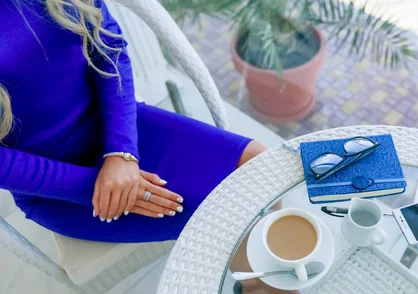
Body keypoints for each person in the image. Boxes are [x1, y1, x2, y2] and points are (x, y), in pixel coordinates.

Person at [0, 0, 266, 244]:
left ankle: (261, 289)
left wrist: (122, 151)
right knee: (231, 219)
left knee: (261, 164)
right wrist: (104, 188)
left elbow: (110, 48)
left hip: (117, 125)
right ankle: (264, 289)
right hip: (54, 185)